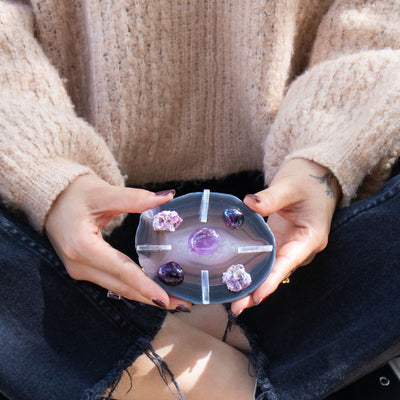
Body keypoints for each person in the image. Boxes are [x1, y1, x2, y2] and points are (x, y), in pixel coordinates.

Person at [0, 0, 399, 399]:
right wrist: (48, 176)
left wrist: (326, 157)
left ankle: (125, 356)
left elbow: (379, 21)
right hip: (92, 219)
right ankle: (161, 367)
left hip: (287, 211)